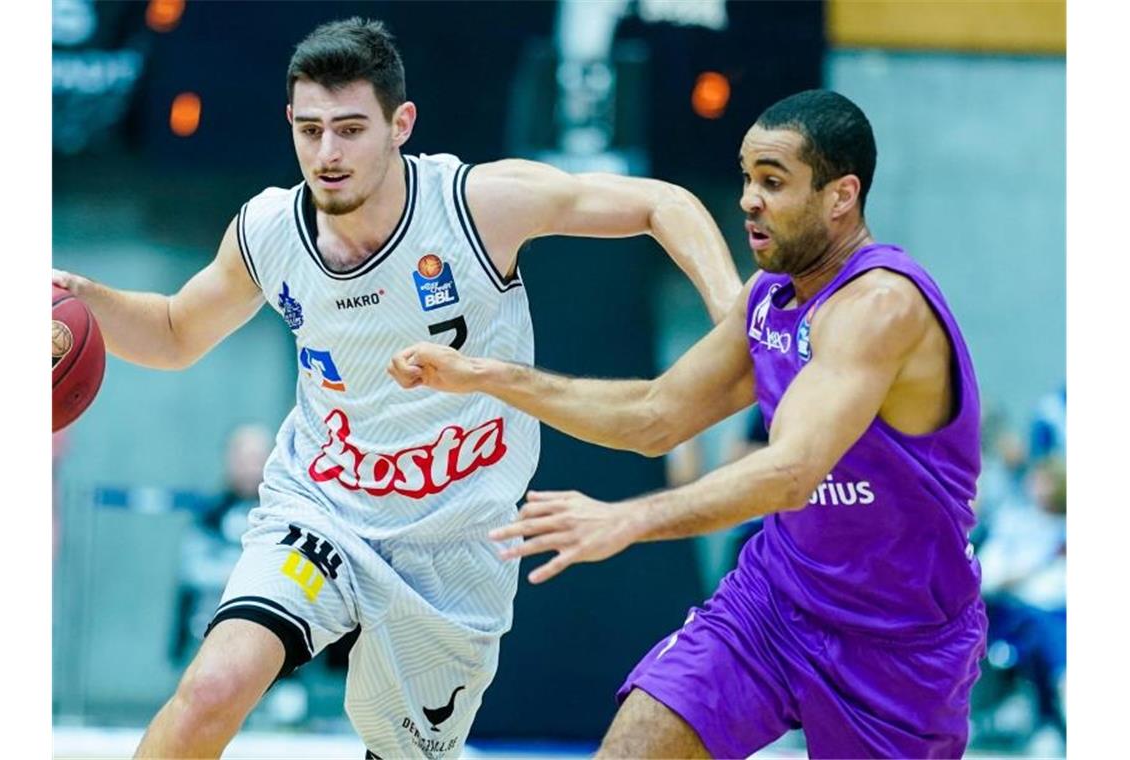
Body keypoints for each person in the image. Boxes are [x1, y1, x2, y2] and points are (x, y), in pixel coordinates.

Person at [51, 17, 741, 760]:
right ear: (289, 123)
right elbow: (176, 332)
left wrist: (734, 309)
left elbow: (660, 203)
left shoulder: (476, 206)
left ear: (399, 124)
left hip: (454, 543)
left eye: (350, 129)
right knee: (213, 689)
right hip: (321, 508)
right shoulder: (268, 229)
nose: (328, 153)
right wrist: (87, 296)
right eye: (310, 129)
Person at [390, 89, 988, 758]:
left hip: (897, 640)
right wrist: (490, 376)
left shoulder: (881, 305)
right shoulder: (768, 299)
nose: (748, 199)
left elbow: (791, 472)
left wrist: (630, 518)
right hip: (773, 605)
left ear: (840, 196)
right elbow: (653, 417)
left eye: (773, 182)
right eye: (747, 178)